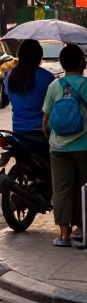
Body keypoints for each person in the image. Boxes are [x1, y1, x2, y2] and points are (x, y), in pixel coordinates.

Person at [42, 43, 87, 247]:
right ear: (82, 63)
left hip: (59, 148)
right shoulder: (86, 85)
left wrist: (52, 137)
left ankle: (63, 234)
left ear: (61, 63)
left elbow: (45, 122)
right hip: (84, 147)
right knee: (84, 188)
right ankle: (82, 229)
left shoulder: (54, 86)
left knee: (61, 190)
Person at [5, 40, 52, 142]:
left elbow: (10, 96)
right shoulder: (47, 77)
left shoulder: (9, 75)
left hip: (18, 129)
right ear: (39, 56)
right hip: (41, 131)